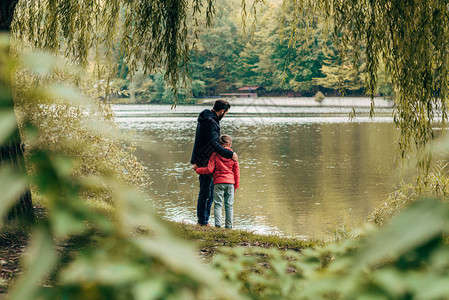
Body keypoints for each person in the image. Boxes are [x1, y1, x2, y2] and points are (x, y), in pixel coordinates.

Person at [190, 100, 238, 226]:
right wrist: (230, 154)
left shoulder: (208, 119)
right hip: (205, 160)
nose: (225, 115)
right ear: (222, 111)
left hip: (206, 159)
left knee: (210, 192)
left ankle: (204, 220)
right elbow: (213, 144)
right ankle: (202, 221)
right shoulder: (210, 122)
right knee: (206, 192)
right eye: (226, 113)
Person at [193, 135, 239, 228]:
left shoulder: (215, 154)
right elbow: (237, 172)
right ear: (230, 144)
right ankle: (229, 226)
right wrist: (236, 186)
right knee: (229, 205)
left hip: (218, 183)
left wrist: (198, 169)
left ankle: (218, 225)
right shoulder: (233, 156)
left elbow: (209, 170)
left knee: (218, 204)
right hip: (230, 183)